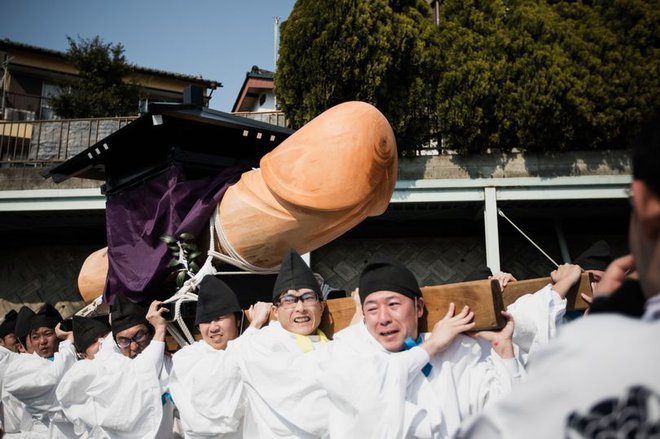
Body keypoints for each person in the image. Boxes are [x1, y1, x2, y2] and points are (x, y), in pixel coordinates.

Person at [457, 114, 660, 438]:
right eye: (587, 277)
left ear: (643, 203)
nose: (593, 285)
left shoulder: (596, 340)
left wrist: (599, 325)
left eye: (597, 277)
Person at [308, 255, 521, 438]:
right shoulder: (347, 351)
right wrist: (431, 347)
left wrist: (503, 347)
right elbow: (370, 390)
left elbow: (507, 419)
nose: (383, 318)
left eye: (393, 305)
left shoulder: (458, 351)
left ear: (419, 307)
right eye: (372, 309)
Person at [228, 249, 331, 438]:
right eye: (289, 300)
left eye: (308, 298)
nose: (300, 308)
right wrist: (256, 324)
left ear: (322, 306)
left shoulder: (329, 345)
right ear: (275, 311)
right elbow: (309, 406)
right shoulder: (262, 344)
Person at [56, 294, 175, 438]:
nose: (134, 346)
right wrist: (160, 331)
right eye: (124, 341)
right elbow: (137, 373)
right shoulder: (104, 371)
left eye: (139, 335)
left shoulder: (172, 360)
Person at [169, 275, 271, 438]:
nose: (213, 327)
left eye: (220, 318)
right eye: (206, 321)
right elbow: (223, 377)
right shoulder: (186, 358)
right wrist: (254, 326)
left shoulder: (252, 347)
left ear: (237, 320)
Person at [2, 304, 77, 437]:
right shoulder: (27, 370)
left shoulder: (77, 354)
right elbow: (54, 378)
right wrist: (68, 343)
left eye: (48, 334)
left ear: (59, 334)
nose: (42, 341)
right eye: (35, 337)